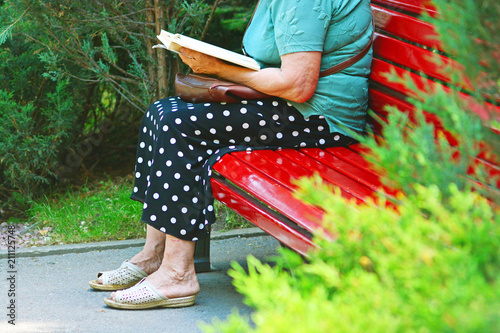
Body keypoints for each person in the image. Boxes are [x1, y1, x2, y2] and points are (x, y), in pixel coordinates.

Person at [89, 0, 373, 310]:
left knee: (180, 125)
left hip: (319, 120)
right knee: (161, 112)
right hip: (292, 107)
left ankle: (178, 274)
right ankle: (154, 253)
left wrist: (220, 70)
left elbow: (297, 85)